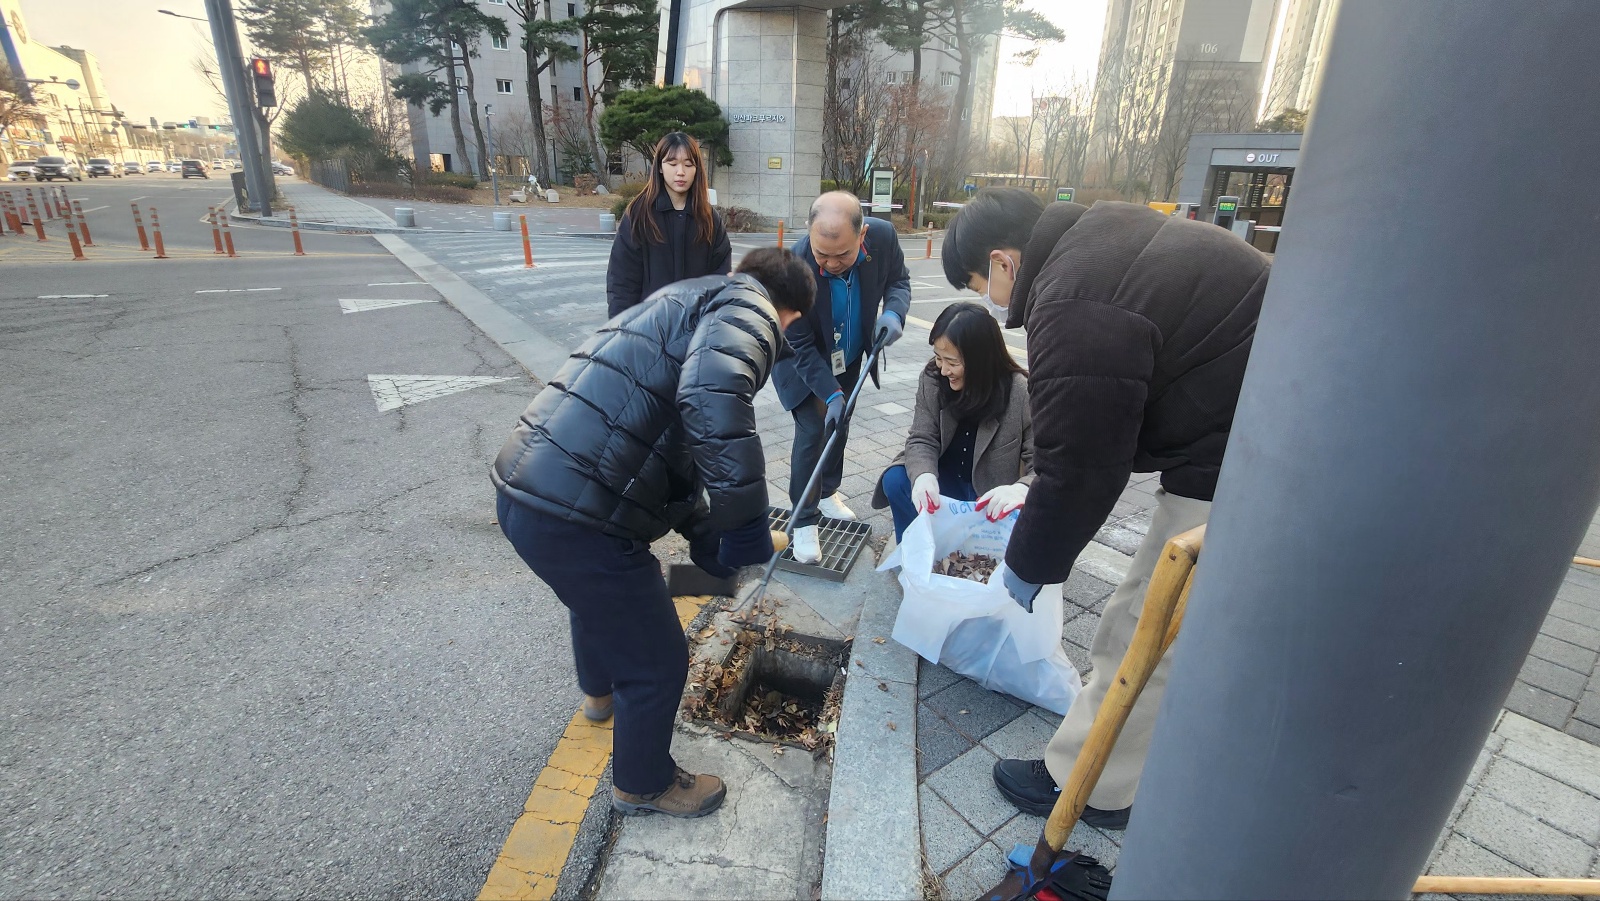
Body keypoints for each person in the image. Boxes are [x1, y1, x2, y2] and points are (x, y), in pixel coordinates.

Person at [944, 188, 1269, 830]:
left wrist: (1026, 568)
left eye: (983, 286)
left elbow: (1081, 464)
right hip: (1255, 427)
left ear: (1005, 262)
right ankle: (1151, 757)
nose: (994, 302)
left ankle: (1091, 785)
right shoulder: (1106, 229)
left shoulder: (1071, 299)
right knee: (1187, 623)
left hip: (1244, 455)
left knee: (1146, 626)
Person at [492, 247, 816, 819]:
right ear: (788, 312)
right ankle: (643, 784)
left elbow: (671, 443)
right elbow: (711, 400)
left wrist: (707, 536)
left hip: (528, 489)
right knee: (657, 659)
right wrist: (746, 531)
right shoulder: (752, 305)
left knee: (598, 601)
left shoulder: (683, 299)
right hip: (579, 518)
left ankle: (599, 694)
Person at [773, 191, 911, 563]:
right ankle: (803, 521)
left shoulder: (883, 237)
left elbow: (898, 281)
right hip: (804, 362)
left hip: (847, 356)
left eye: (843, 255)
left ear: (862, 234)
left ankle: (828, 491)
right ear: (809, 231)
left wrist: (894, 313)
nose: (832, 264)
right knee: (813, 432)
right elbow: (801, 347)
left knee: (840, 425)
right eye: (823, 255)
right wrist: (830, 394)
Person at [872, 302, 1034, 540]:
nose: (944, 369)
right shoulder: (933, 379)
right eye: (939, 358)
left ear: (981, 359)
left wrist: (1021, 489)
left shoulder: (1019, 392)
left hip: (988, 497)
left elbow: (1042, 463)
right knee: (896, 480)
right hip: (943, 486)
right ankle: (915, 549)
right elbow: (921, 437)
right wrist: (924, 475)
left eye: (953, 362)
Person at [606, 131, 731, 317]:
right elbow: (622, 281)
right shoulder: (639, 215)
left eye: (688, 164)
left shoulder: (709, 218)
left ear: (697, 169)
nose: (680, 172)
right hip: (648, 324)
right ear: (660, 167)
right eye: (672, 164)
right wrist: (621, 326)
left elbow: (720, 279)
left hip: (696, 325)